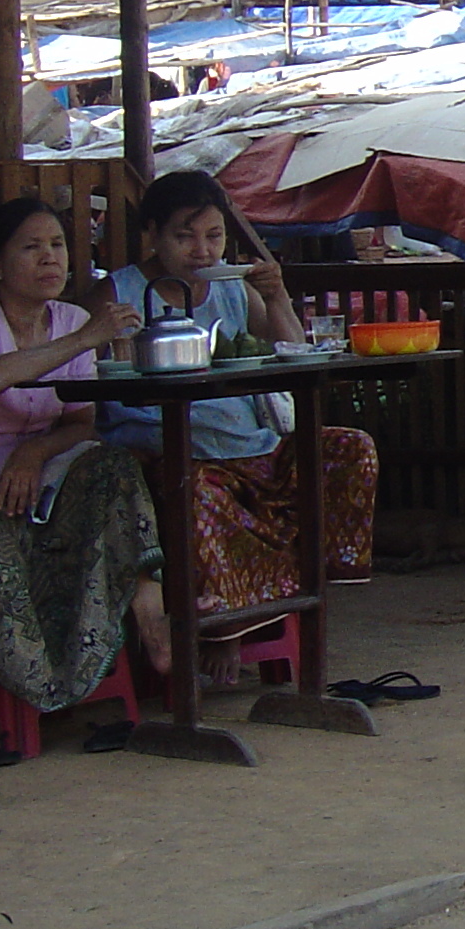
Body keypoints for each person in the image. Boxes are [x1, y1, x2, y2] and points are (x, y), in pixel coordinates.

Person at [0, 196, 163, 759]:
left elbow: (81, 423)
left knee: (114, 467)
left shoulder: (70, 319)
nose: (51, 259)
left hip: (36, 477)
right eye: (32, 246)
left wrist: (33, 452)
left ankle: (149, 603)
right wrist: (83, 340)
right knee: (0, 572)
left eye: (59, 245)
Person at [97, 173, 377, 625]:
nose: (202, 251)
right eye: (184, 237)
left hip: (255, 449)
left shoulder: (231, 287)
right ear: (150, 234)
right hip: (176, 453)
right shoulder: (117, 293)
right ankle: (227, 624)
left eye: (213, 237)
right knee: (196, 493)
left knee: (349, 448)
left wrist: (278, 296)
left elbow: (291, 353)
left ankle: (312, 580)